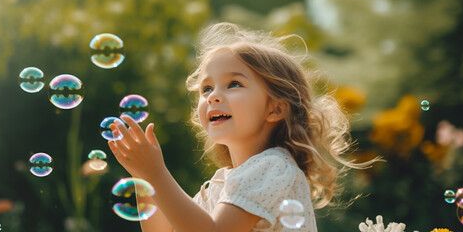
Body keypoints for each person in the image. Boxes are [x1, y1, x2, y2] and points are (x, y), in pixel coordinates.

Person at [107, 22, 381, 232]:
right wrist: (143, 178)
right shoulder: (221, 183)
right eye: (206, 88)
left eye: (234, 84)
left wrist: (156, 172)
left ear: (275, 108)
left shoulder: (273, 167)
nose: (212, 96)